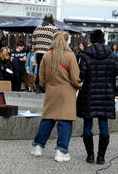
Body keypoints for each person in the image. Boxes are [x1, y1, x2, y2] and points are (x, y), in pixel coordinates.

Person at [31, 32, 82, 162]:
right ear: (67, 41)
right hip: (67, 93)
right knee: (65, 121)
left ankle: (38, 146)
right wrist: (78, 86)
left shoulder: (47, 55)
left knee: (47, 119)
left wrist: (46, 86)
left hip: (51, 91)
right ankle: (61, 151)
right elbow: (75, 77)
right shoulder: (70, 55)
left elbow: (41, 77)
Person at [76, 30, 118, 164]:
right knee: (103, 123)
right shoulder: (112, 55)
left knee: (88, 123)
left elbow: (81, 75)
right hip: (106, 93)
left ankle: (90, 155)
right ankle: (101, 157)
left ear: (92, 40)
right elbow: (115, 72)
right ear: (103, 40)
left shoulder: (86, 55)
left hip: (89, 93)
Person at [32, 14, 58, 93]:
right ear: (52, 20)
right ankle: (45, 87)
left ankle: (38, 87)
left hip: (38, 53)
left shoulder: (37, 28)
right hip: (48, 53)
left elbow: (33, 42)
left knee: (40, 69)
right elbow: (56, 42)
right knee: (48, 70)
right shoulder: (54, 29)